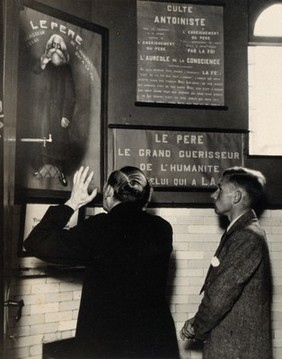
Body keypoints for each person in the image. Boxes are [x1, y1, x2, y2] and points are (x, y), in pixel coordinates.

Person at [24, 166, 180, 359]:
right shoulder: (162, 229)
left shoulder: (99, 227)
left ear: (108, 191)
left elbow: (36, 242)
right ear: (143, 197)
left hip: (108, 346)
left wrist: (73, 202)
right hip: (156, 343)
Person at [180, 166, 272, 359]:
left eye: (220, 189)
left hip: (235, 349)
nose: (214, 195)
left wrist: (196, 326)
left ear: (236, 196)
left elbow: (221, 293)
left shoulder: (245, 236)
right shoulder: (243, 231)